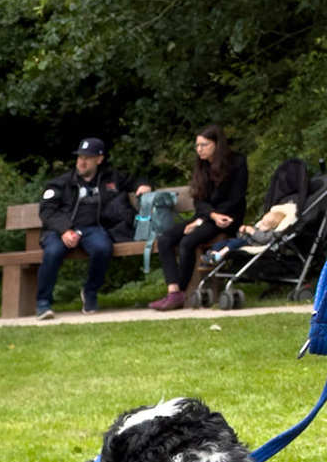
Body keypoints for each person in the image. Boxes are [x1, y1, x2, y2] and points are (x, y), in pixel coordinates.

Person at [33, 139, 141, 319]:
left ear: (99, 159)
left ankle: (90, 291)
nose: (82, 162)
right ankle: (43, 303)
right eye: (80, 157)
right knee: (53, 252)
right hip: (60, 231)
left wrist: (143, 185)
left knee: (103, 248)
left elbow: (135, 180)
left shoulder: (111, 178)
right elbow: (47, 211)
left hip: (92, 229)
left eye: (88, 158)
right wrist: (65, 229)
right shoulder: (61, 183)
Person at [150, 126, 248, 310]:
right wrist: (204, 219)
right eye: (197, 145)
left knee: (188, 242)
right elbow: (199, 200)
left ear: (217, 144)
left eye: (204, 145)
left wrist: (210, 218)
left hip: (227, 218)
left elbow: (236, 198)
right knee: (165, 239)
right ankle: (173, 291)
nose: (200, 149)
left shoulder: (237, 163)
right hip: (206, 216)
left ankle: (180, 292)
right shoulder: (202, 166)